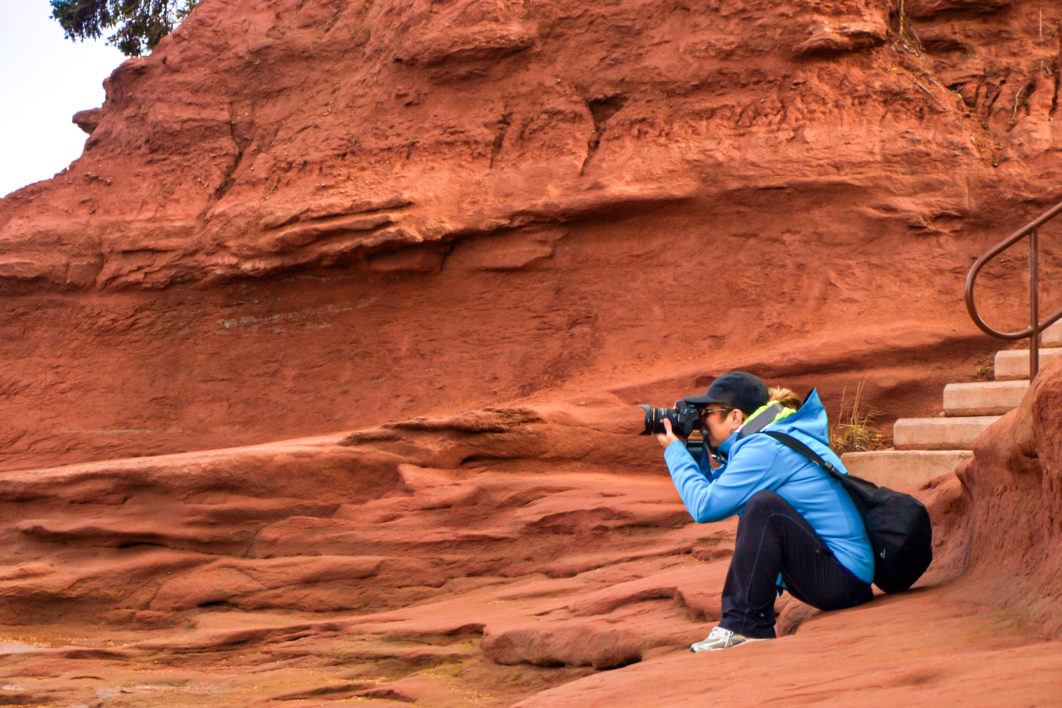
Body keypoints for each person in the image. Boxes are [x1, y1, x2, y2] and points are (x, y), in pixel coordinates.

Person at [655, 371, 874, 651]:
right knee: (761, 505)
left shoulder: (764, 447)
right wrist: (695, 447)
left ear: (735, 417)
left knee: (763, 507)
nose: (701, 420)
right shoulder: (768, 438)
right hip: (841, 574)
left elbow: (704, 507)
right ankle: (748, 623)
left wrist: (673, 450)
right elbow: (715, 493)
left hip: (843, 577)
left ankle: (745, 626)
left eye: (706, 413)